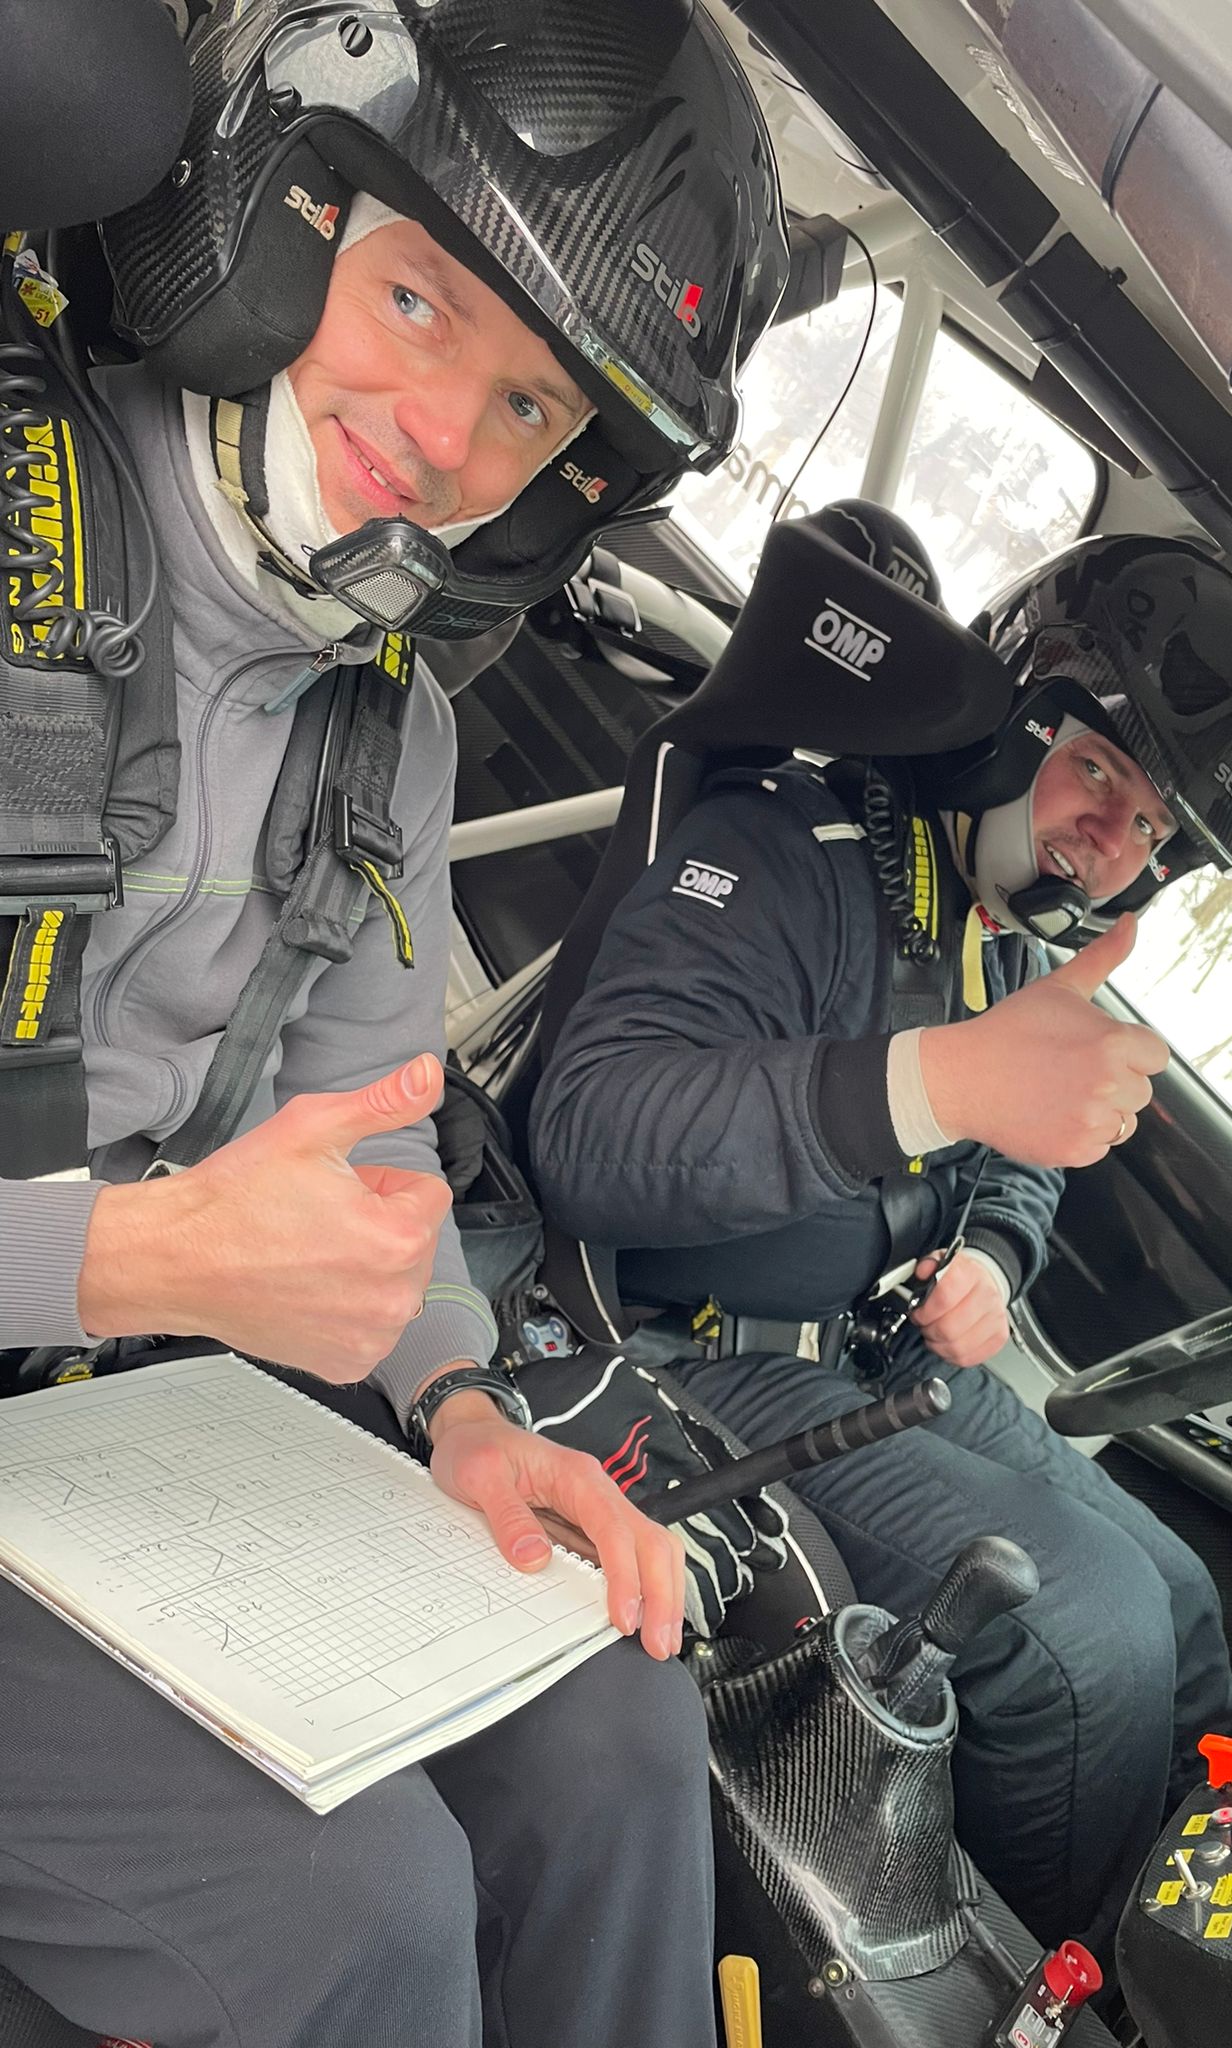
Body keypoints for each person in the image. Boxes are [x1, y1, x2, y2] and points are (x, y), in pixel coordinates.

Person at [0, 3, 786, 2043]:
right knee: (357, 1905)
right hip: (75, 1345)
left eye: (528, 405)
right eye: (419, 299)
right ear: (282, 217)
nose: (444, 442)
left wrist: (461, 1411)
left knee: (618, 1724)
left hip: (107, 1414)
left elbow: (367, 1140)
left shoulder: (391, 732)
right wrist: (124, 1255)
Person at [531, 503, 1232, 1953]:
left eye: (1149, 828)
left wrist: (998, 1256)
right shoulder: (786, 847)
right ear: (1018, 726)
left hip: (880, 1354)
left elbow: (1023, 1159)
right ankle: (1074, 1997)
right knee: (1082, 1637)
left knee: (1183, 1598)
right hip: (697, 1356)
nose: (1108, 843)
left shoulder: (1001, 937)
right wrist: (930, 1084)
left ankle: (1197, 1950)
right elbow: (590, 1135)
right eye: (1097, 772)